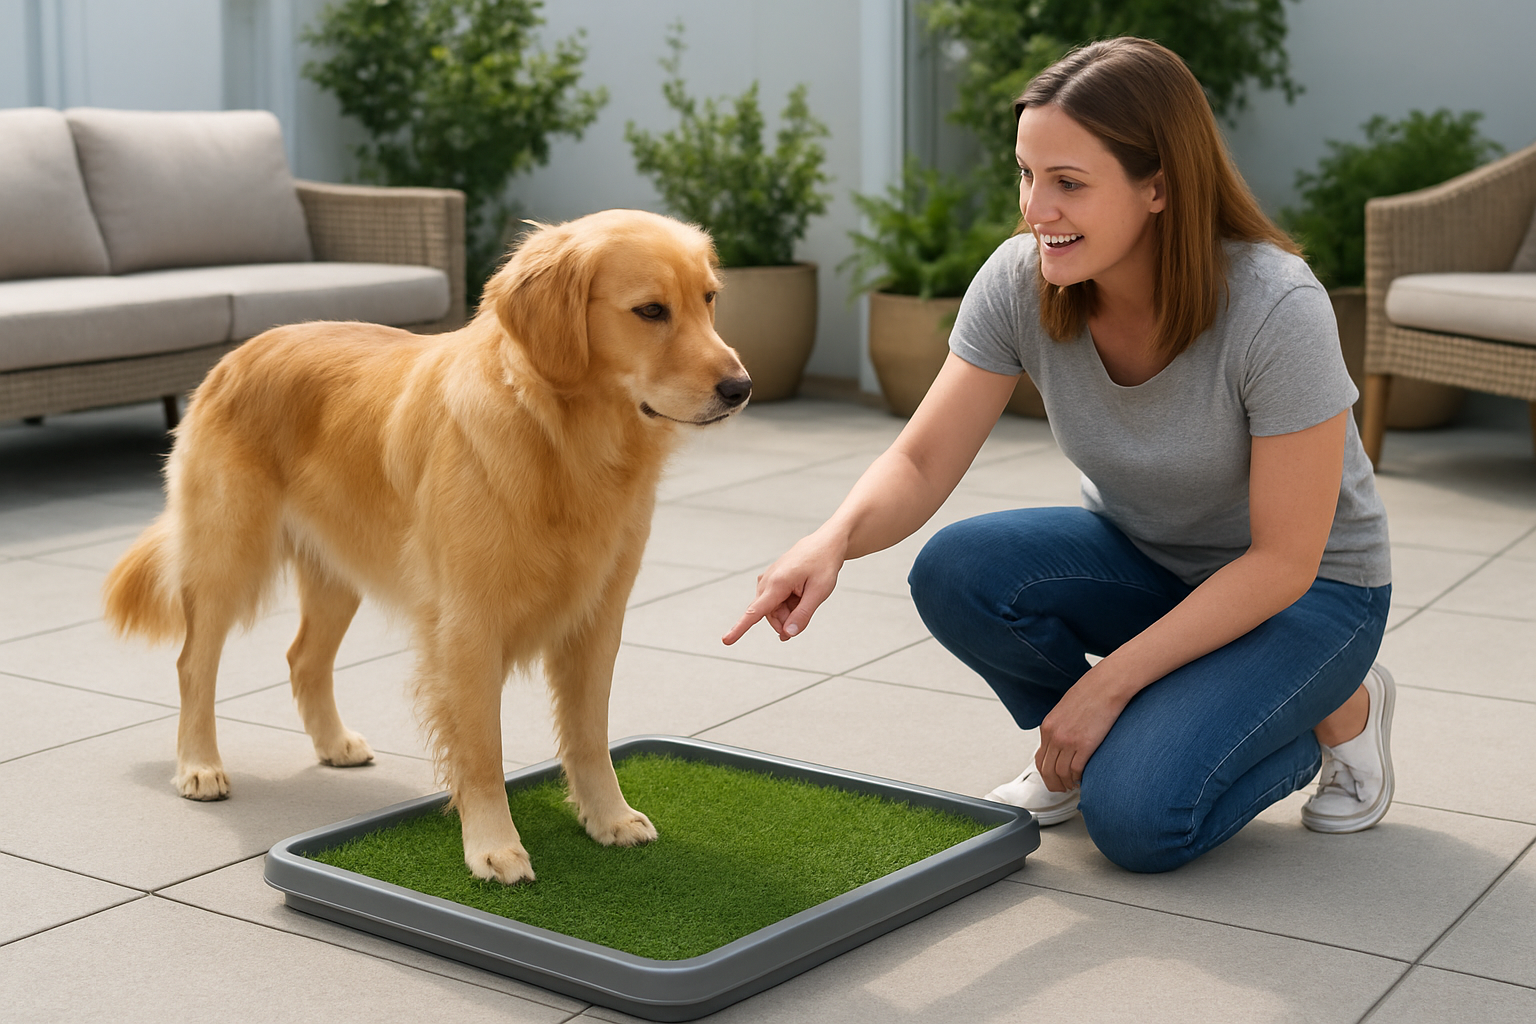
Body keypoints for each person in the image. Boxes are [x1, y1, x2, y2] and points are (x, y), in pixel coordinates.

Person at [722, 37, 1394, 873]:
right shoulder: (1021, 280)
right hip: (1154, 560)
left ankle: (1333, 709)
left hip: (1314, 593)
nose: (1037, 208)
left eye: (1069, 183)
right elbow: (924, 462)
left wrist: (1105, 688)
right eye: (1026, 174)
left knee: (1141, 823)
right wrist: (832, 540)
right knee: (959, 569)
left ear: (1158, 187)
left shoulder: (1275, 306)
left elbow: (1285, 560)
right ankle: (1089, 751)